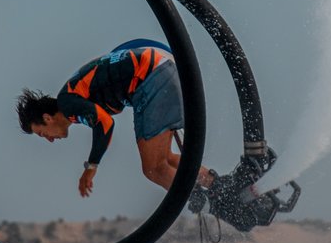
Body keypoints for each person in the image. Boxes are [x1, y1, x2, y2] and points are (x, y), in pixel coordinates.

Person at [16, 39, 215, 198]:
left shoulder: (67, 103)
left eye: (43, 134)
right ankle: (220, 187)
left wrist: (91, 167)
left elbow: (105, 123)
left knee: (154, 169)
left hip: (152, 77)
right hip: (163, 69)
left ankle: (208, 204)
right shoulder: (73, 100)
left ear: (47, 118)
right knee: (165, 159)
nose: (50, 140)